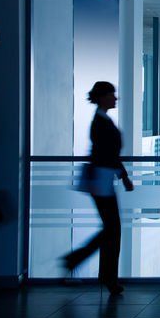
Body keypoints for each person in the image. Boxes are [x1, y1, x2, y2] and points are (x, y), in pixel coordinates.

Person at [62, 81, 134, 295]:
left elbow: (110, 153)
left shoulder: (102, 120)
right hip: (101, 181)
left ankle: (103, 275)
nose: (115, 98)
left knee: (111, 230)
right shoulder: (101, 123)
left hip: (102, 179)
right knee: (113, 230)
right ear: (102, 97)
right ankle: (101, 274)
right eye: (112, 94)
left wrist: (122, 176)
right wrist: (124, 176)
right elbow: (109, 154)